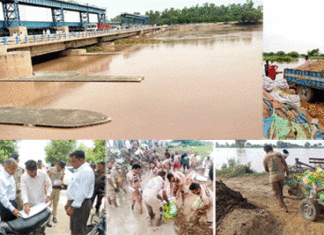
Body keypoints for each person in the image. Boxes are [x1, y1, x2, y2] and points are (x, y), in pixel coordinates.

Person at [66, 150, 95, 235]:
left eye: (73, 161)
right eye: (71, 161)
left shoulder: (86, 171)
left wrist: (73, 207)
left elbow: (82, 191)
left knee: (79, 230)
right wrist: (69, 202)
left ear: (81, 160)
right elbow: (73, 188)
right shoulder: (78, 170)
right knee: (74, 228)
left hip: (81, 204)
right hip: (75, 203)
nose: (71, 163)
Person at [21, 160, 52, 233]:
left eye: (31, 172)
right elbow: (24, 190)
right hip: (30, 204)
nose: (29, 174)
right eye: (28, 171)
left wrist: (48, 195)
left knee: (41, 224)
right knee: (31, 225)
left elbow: (49, 184)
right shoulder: (24, 176)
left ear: (36, 169)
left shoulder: (43, 174)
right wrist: (26, 203)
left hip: (41, 204)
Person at [263, 144, 289, 212]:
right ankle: (280, 203)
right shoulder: (279, 154)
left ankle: (284, 207)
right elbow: (285, 165)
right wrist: (288, 173)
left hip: (273, 177)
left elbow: (266, 170)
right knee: (280, 191)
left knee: (277, 193)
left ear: (266, 151)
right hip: (281, 176)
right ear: (272, 149)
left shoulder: (265, 157)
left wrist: (271, 170)